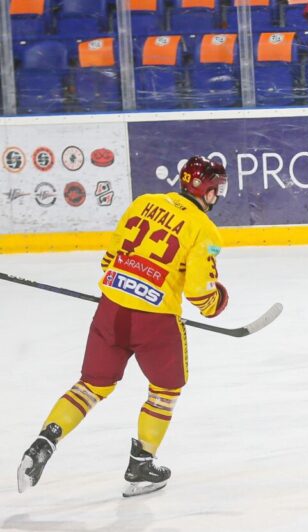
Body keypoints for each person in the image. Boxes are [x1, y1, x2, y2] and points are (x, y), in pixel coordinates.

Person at [17, 156, 230, 498]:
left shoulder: (145, 201)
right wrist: (217, 300)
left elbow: (110, 258)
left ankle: (46, 438)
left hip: (111, 308)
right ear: (205, 190)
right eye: (217, 188)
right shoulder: (205, 228)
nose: (218, 195)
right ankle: (141, 464)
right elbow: (198, 292)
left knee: (90, 387)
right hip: (156, 322)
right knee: (164, 390)